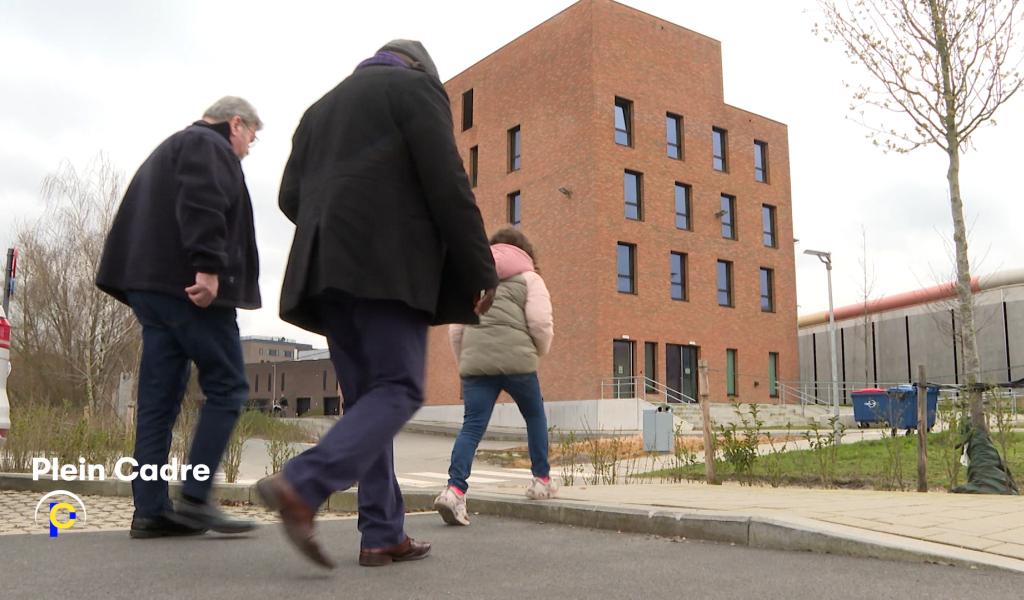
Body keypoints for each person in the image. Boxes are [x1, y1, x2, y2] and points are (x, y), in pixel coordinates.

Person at [256, 40, 498, 569]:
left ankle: (383, 533)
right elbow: (448, 183)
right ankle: (302, 482)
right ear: (422, 70)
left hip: (325, 271)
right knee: (398, 388)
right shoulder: (415, 91)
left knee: (369, 401)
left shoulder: (319, 110)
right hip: (389, 266)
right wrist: (480, 268)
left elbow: (289, 196)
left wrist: (338, 222)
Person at [96, 96, 262, 538]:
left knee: (158, 402)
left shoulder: (169, 148)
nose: (248, 147)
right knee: (228, 386)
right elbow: (203, 200)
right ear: (235, 123)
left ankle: (150, 511)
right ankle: (194, 497)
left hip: (153, 291)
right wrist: (208, 268)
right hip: (191, 291)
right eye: (251, 136)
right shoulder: (208, 146)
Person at [434, 228, 556, 526]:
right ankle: (541, 481)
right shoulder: (530, 279)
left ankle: (454, 490)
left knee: (472, 427)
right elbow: (540, 323)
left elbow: (456, 329)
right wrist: (537, 352)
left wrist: (466, 361)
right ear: (525, 252)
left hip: (477, 366)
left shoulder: (475, 278)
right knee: (535, 417)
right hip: (519, 363)